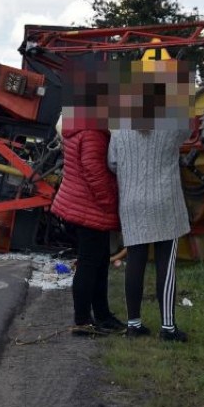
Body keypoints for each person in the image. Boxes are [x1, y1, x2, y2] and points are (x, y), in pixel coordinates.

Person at [107, 128, 191, 342]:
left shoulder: (119, 129)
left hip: (132, 203)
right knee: (166, 265)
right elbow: (188, 131)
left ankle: (133, 324)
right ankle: (168, 328)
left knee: (135, 261)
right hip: (165, 202)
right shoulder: (171, 123)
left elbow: (112, 164)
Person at [51, 116, 124, 335]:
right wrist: (111, 202)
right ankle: (83, 321)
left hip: (80, 203)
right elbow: (95, 173)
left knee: (99, 262)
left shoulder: (79, 124)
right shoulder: (92, 132)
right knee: (90, 264)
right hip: (89, 206)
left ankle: (102, 316)